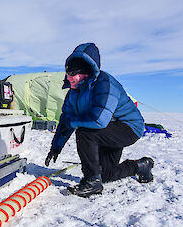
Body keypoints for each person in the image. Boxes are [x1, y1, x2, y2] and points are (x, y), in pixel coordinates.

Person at [45, 43, 154, 198]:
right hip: (108, 129)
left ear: (86, 72)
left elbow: (99, 120)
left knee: (85, 133)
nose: (69, 78)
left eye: (73, 74)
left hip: (128, 127)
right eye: (68, 73)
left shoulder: (104, 83)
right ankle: (141, 166)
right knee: (107, 174)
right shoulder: (73, 93)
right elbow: (66, 120)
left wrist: (74, 122)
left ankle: (92, 183)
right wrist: (56, 147)